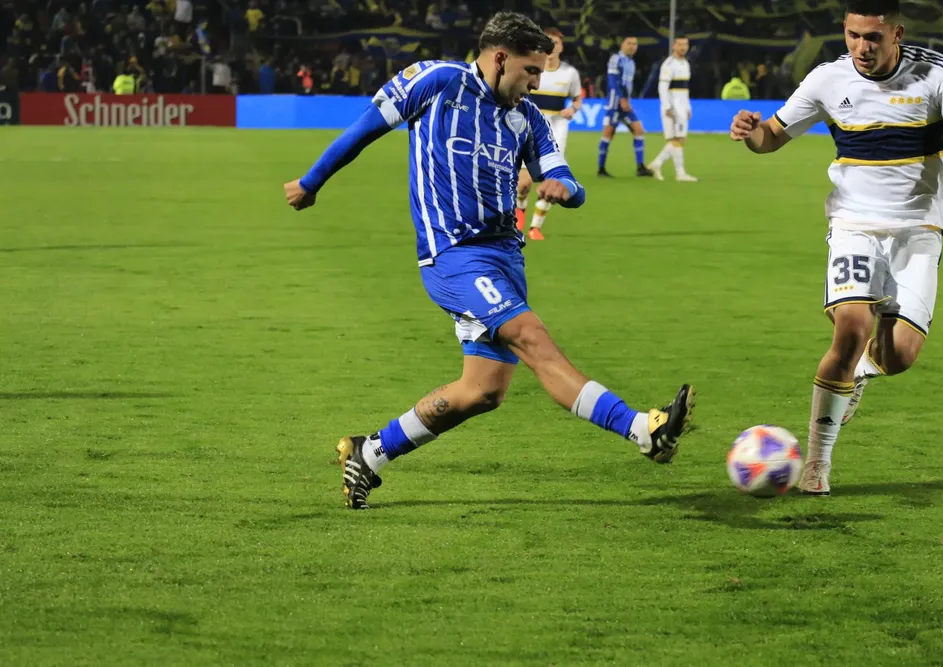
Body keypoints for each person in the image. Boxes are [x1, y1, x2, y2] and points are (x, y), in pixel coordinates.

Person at [283, 12, 696, 510]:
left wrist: (566, 188)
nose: (537, 83)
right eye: (530, 71)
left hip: (505, 259)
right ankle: (641, 430)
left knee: (482, 392)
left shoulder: (528, 118)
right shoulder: (435, 83)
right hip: (452, 257)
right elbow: (363, 130)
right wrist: (311, 182)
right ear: (500, 58)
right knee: (532, 337)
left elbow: (569, 178)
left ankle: (369, 453)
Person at [728, 0, 943, 495]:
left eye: (872, 37)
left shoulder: (938, 75)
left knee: (899, 356)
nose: (861, 48)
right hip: (853, 223)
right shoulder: (827, 79)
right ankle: (816, 466)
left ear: (896, 33)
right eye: (853, 36)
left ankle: (859, 375)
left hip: (919, 230)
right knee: (851, 329)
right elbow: (772, 137)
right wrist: (750, 132)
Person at [514, 27, 583, 240]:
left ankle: (535, 227)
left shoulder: (569, 73)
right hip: (528, 127)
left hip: (557, 129)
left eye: (556, 43)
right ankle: (520, 210)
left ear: (561, 48)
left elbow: (577, 98)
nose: (552, 47)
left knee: (550, 180)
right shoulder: (531, 69)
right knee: (523, 184)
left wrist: (572, 109)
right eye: (548, 42)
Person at [597, 37, 655, 178]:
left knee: (638, 130)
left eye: (635, 44)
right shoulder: (616, 59)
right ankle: (601, 169)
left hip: (626, 104)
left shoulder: (631, 62)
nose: (632, 46)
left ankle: (640, 167)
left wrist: (626, 99)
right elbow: (612, 82)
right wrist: (622, 99)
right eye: (629, 43)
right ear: (622, 45)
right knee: (608, 134)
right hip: (615, 103)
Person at [649, 36, 697, 183]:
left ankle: (659, 166)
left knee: (678, 139)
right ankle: (676, 172)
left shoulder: (685, 63)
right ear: (674, 46)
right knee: (678, 139)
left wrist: (687, 106)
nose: (683, 47)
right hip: (672, 106)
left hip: (682, 106)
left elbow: (685, 88)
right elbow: (662, 87)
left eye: (685, 44)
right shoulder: (668, 64)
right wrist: (667, 106)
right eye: (680, 44)